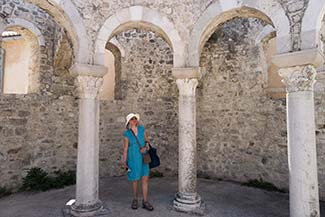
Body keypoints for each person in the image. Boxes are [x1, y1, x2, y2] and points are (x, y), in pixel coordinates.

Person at [122, 113, 154, 211]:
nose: (134, 120)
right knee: (135, 180)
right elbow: (125, 148)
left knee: (145, 179)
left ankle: (145, 201)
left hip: (143, 158)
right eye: (132, 119)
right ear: (129, 122)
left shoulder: (142, 129)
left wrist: (145, 147)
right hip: (133, 159)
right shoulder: (127, 134)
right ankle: (135, 199)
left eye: (135, 118)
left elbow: (148, 142)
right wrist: (124, 162)